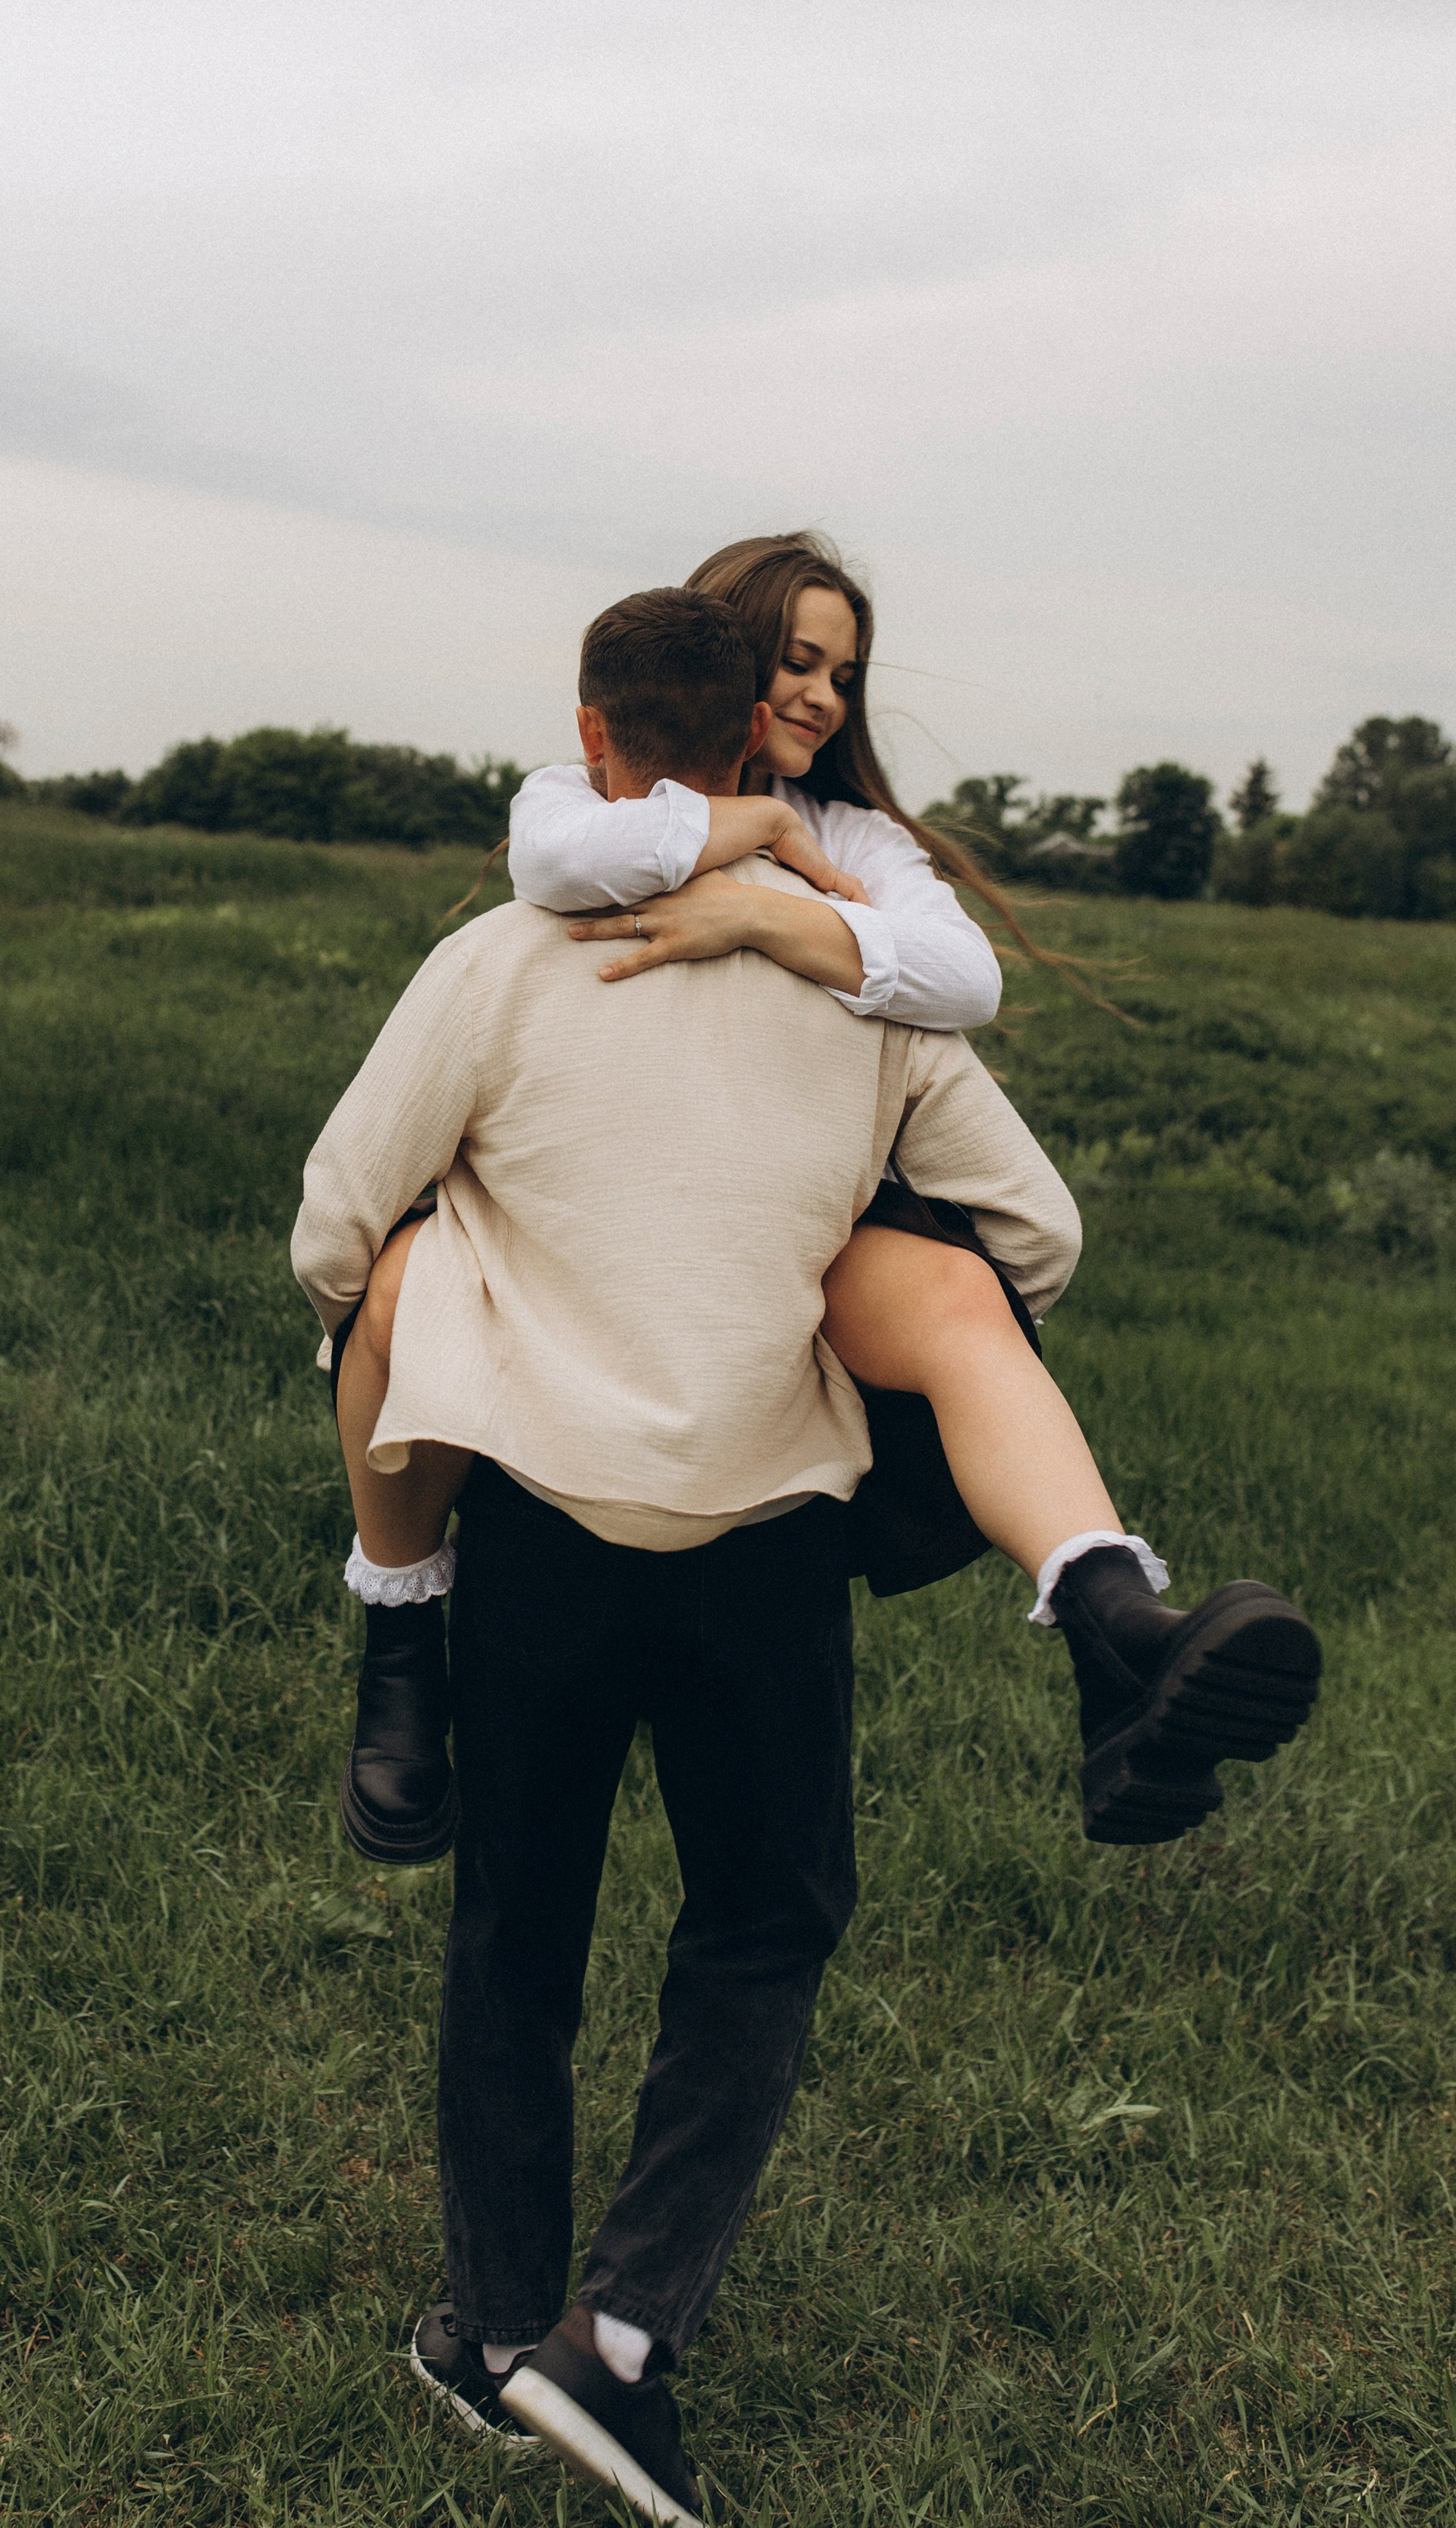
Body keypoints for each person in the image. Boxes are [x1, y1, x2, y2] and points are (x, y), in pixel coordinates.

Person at [293, 589, 1319, 2522]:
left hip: (537, 1523)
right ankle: (621, 2332)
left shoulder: (498, 959)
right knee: (760, 1924)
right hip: (766, 1538)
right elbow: (1036, 1234)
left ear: (596, 742)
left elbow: (335, 1224)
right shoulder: (869, 992)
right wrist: (835, 1266)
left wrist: (474, 1278)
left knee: (516, 1929)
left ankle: (493, 2334)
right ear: (769, 734)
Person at [332, 527, 1318, 1864]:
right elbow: (552, 862)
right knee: (969, 1282)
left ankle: (1118, 1626)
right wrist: (736, 832)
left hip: (792, 1254)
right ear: (731, 674)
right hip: (694, 1286)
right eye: (796, 663)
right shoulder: (579, 814)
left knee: (944, 1293)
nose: (822, 699)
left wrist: (763, 913)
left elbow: (967, 979)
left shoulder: (853, 842)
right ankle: (401, 1627)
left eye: (843, 676)